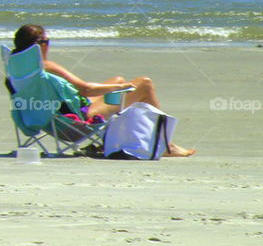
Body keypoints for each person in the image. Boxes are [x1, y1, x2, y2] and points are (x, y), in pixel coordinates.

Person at [12, 24, 196, 157]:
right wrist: (120, 88)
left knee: (117, 79)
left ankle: (130, 137)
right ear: (42, 44)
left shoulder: (17, 68)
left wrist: (117, 85)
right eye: (48, 41)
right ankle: (165, 144)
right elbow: (85, 89)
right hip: (76, 123)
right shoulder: (47, 65)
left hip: (48, 121)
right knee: (144, 84)